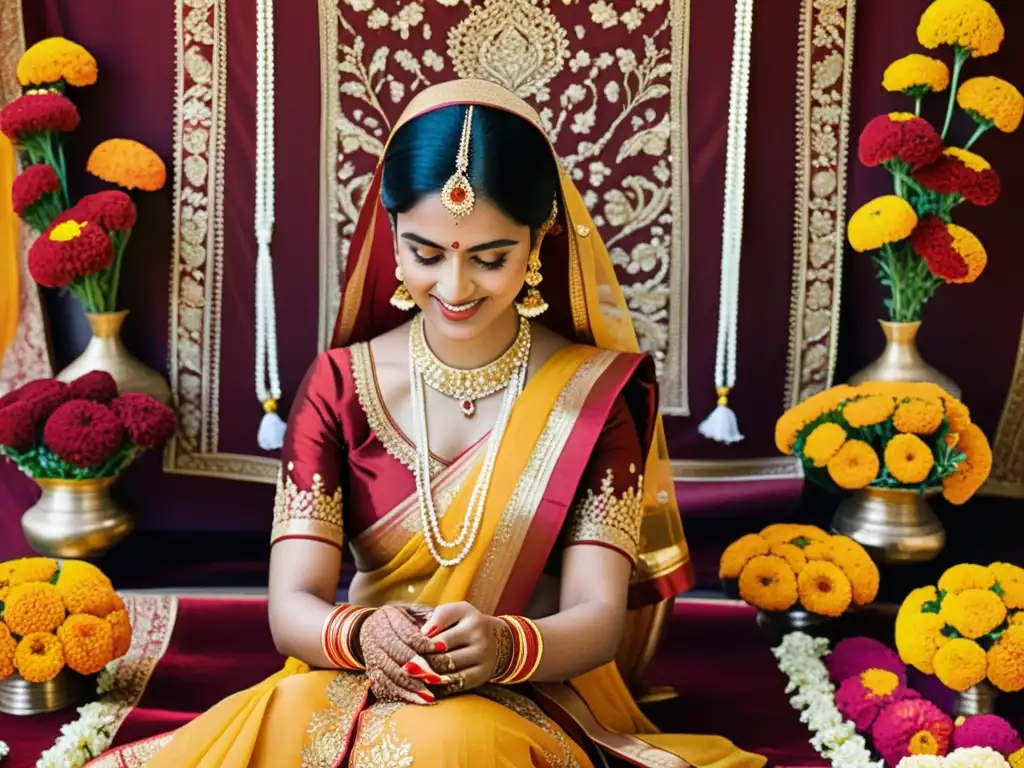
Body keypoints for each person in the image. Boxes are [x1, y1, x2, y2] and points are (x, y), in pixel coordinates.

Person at [92, 79, 765, 768]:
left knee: (452, 741)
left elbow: (596, 619)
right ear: (391, 234)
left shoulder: (592, 398)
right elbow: (291, 603)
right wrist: (361, 636)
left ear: (541, 239)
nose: (454, 288)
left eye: (490, 257)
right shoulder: (340, 385)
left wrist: (507, 644)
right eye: (427, 253)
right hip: (355, 676)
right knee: (280, 714)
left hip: (524, 690)